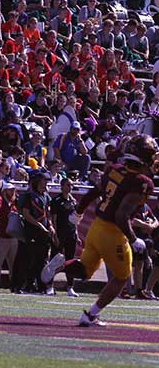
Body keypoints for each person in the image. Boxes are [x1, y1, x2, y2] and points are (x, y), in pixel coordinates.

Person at [42, 136, 157, 326]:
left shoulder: (114, 170)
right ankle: (91, 315)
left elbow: (95, 191)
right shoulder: (141, 182)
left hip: (96, 227)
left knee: (85, 270)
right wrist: (134, 239)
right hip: (113, 233)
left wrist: (79, 211)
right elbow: (121, 215)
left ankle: (59, 267)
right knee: (122, 278)